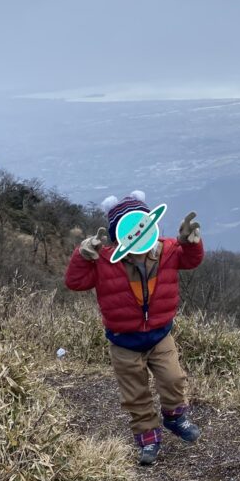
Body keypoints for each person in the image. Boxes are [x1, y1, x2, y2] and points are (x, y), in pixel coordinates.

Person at [64, 191, 205, 465]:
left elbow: (191, 260)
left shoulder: (167, 250)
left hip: (160, 335)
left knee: (174, 379)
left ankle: (175, 417)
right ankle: (148, 438)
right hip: (123, 341)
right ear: (118, 235)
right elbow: (75, 282)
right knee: (135, 394)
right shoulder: (105, 260)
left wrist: (191, 244)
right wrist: (82, 256)